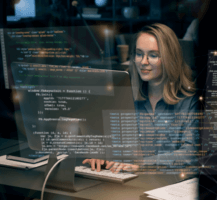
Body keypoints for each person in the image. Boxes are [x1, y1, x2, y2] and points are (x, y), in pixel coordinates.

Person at [83, 23, 200, 174]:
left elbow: (190, 153)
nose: (143, 62)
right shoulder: (125, 96)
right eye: (139, 54)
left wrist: (142, 164)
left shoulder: (191, 101)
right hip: (129, 183)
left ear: (170, 58)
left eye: (153, 55)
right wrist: (100, 154)